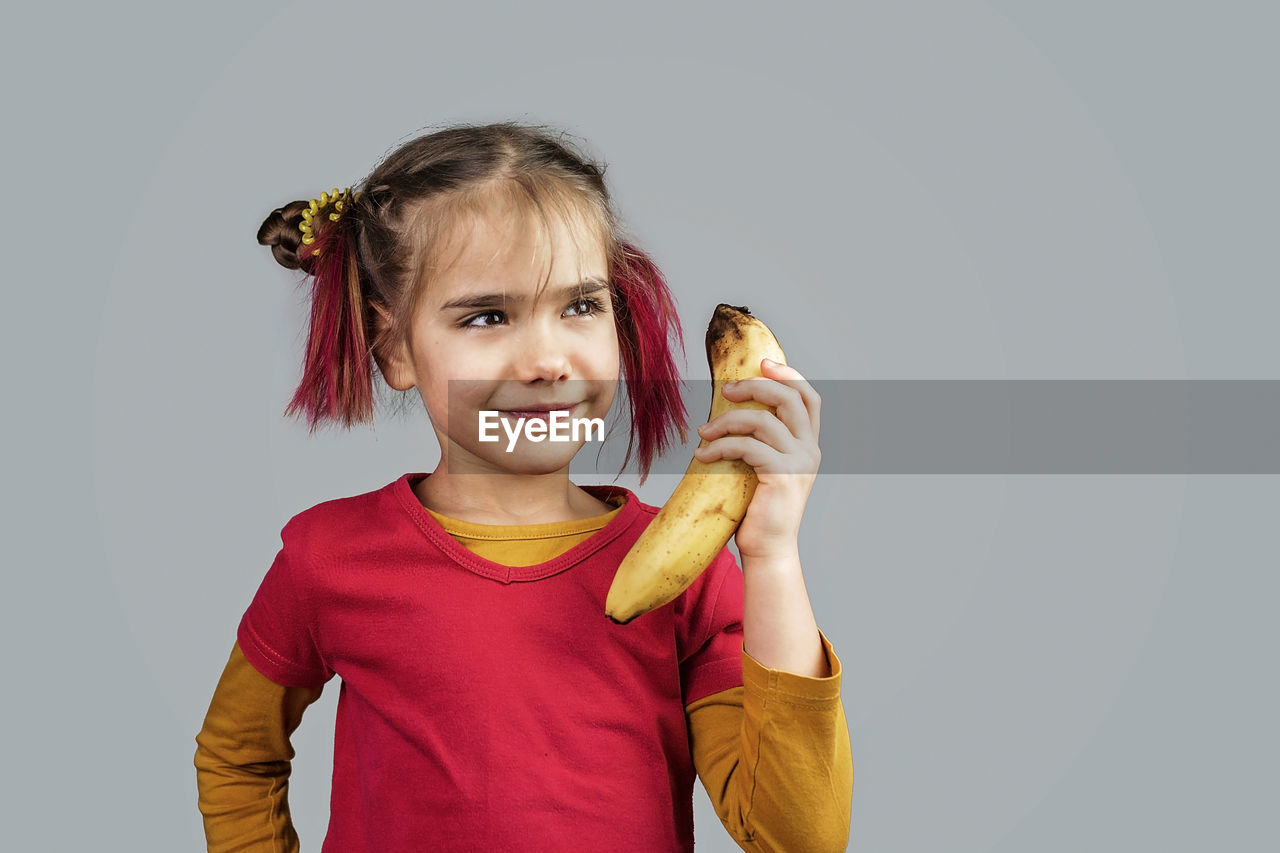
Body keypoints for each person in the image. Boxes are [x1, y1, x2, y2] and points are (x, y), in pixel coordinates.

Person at [194, 121, 852, 852]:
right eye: (487, 315)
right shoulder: (328, 557)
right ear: (393, 347)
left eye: (580, 305)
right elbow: (237, 759)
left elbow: (799, 838)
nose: (546, 359)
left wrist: (771, 556)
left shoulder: (686, 580)